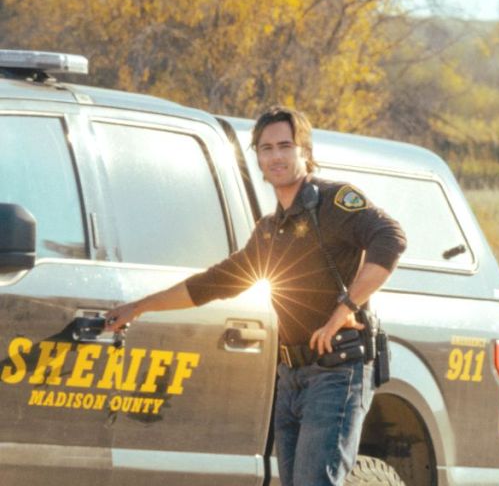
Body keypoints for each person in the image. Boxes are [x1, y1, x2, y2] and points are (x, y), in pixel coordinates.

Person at [105, 106, 406, 486]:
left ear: (305, 152)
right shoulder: (270, 230)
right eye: (266, 149)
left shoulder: (333, 202)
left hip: (337, 372)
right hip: (291, 375)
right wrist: (140, 307)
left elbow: (390, 238)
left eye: (285, 146)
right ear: (258, 159)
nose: (276, 156)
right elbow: (215, 282)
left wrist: (346, 308)